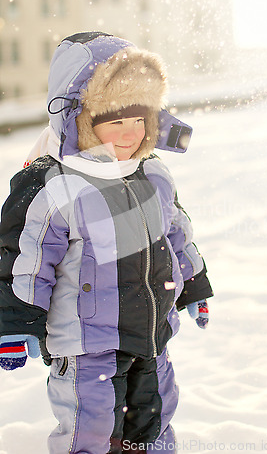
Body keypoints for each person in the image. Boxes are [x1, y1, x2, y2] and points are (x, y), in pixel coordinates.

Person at [0, 32, 213, 454]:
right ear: (81, 117)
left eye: (140, 119)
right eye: (115, 120)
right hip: (86, 344)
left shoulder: (152, 174)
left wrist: (194, 287)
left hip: (151, 335)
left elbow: (176, 235)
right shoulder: (55, 184)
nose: (130, 132)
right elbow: (25, 260)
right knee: (91, 428)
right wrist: (15, 324)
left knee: (153, 418)